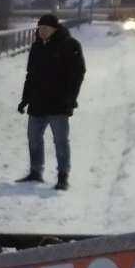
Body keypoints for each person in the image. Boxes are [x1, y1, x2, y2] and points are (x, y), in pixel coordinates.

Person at [16, 12, 86, 190]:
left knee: (60, 141)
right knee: (33, 138)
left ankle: (63, 176)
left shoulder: (70, 45)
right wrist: (25, 99)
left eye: (45, 28)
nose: (42, 32)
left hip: (59, 104)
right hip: (37, 102)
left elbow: (78, 74)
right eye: (39, 28)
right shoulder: (37, 47)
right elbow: (30, 76)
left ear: (55, 29)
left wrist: (71, 98)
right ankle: (35, 171)